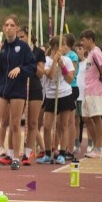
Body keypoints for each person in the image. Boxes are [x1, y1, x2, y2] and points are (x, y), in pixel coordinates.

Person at [0, 14, 37, 170]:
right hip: (2, 88)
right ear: (3, 28)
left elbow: (32, 67)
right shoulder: (2, 47)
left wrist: (20, 69)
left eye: (12, 25)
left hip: (17, 89)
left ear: (16, 28)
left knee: (15, 125)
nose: (8, 28)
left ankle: (15, 158)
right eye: (6, 25)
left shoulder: (23, 47)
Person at [37, 36, 75, 164]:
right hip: (51, 95)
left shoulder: (68, 60)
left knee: (63, 126)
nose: (65, 47)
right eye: (63, 44)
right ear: (55, 47)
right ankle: (48, 154)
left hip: (65, 94)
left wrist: (62, 64)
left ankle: (62, 154)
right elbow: (50, 75)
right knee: (47, 126)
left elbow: (70, 79)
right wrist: (55, 61)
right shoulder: (46, 60)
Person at [79, 29, 102, 158]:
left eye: (83, 40)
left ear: (90, 39)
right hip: (87, 91)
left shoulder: (96, 52)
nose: (82, 43)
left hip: (94, 90)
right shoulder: (90, 54)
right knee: (86, 118)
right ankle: (95, 146)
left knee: (96, 118)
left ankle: (98, 149)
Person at [18, 25, 46, 165]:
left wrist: (31, 62)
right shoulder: (17, 50)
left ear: (29, 36)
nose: (20, 39)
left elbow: (41, 73)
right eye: (19, 37)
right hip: (20, 88)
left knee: (33, 122)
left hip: (34, 88)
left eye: (22, 36)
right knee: (16, 122)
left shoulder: (38, 52)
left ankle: (28, 152)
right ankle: (14, 152)